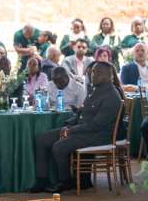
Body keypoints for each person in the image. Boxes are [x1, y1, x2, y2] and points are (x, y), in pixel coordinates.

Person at [29, 62, 123, 194]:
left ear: (109, 76)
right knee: (42, 139)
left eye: (98, 73)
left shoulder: (112, 96)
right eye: (92, 72)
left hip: (98, 136)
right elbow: (80, 112)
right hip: (82, 129)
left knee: (59, 146)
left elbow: (95, 125)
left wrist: (70, 131)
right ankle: (43, 180)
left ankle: (66, 181)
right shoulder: (93, 89)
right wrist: (69, 124)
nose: (93, 75)